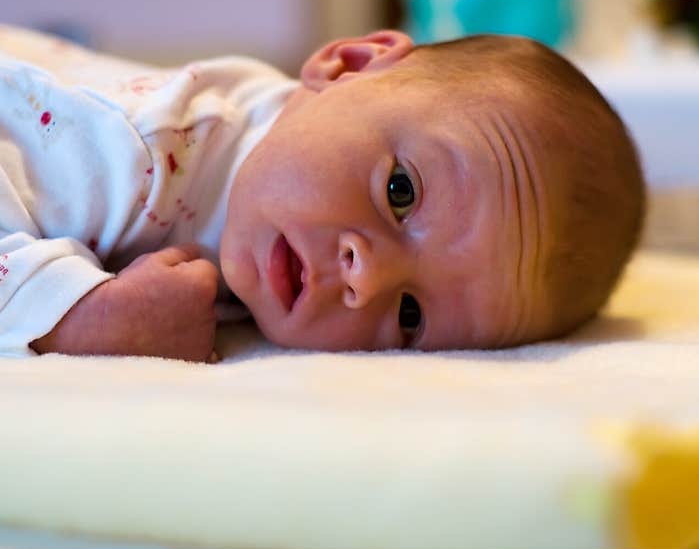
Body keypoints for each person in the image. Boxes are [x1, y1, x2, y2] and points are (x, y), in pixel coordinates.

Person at [0, 24, 645, 361]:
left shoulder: (286, 165)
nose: (365, 278)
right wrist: (78, 316)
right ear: (351, 64)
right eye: (399, 192)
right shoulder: (136, 151)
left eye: (410, 316)